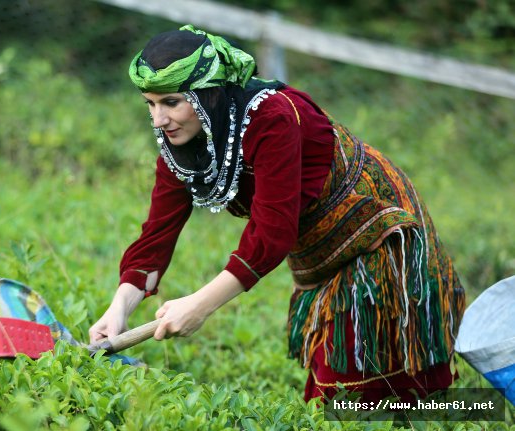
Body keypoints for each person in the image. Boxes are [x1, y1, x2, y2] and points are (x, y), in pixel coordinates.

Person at [88, 25, 465, 403]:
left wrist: (199, 305)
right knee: (345, 399)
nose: (158, 119)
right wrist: (119, 308)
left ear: (209, 95)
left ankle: (469, 417)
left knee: (358, 395)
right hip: (317, 252)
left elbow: (272, 233)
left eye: (171, 102)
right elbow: (157, 233)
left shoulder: (274, 118)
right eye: (150, 104)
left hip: (377, 231)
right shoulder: (183, 145)